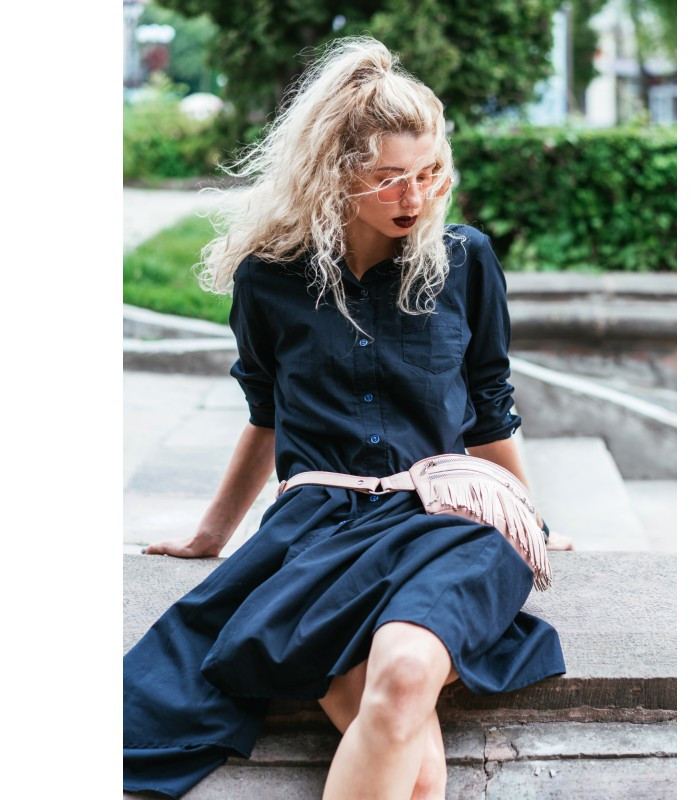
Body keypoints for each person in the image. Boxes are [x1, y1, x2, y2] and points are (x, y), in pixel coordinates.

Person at [124, 36, 568, 800]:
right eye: (388, 178)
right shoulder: (269, 280)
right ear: (334, 171)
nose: (413, 197)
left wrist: (528, 513)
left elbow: (491, 405)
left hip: (447, 516)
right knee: (406, 749)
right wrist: (212, 534)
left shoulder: (464, 260)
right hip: (319, 530)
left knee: (406, 673)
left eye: (428, 173)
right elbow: (266, 414)